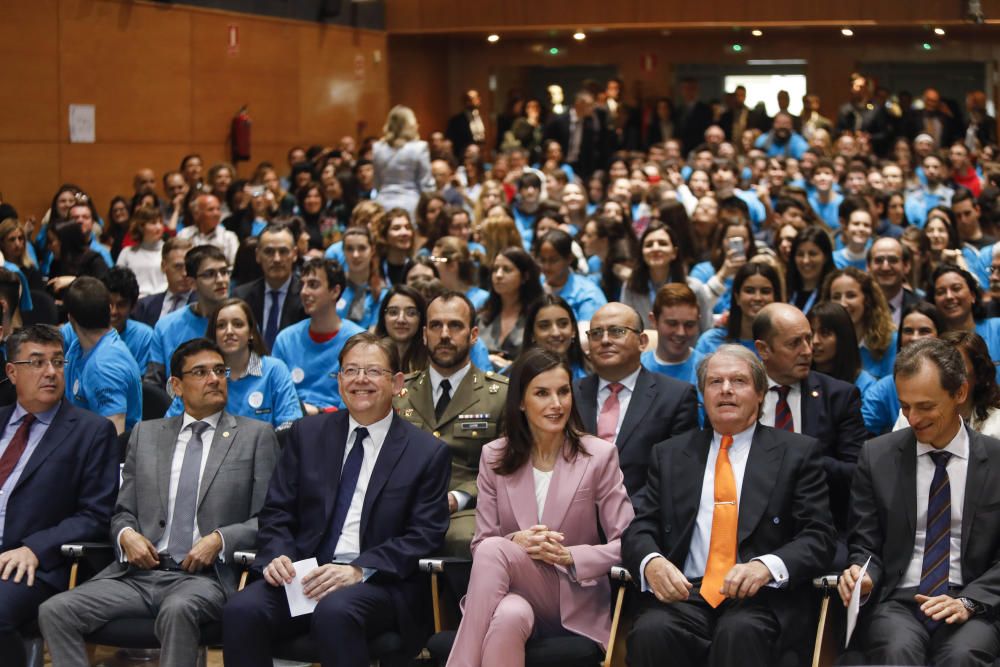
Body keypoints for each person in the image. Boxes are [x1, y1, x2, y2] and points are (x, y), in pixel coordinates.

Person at [40, 338, 279, 667]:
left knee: (178, 609)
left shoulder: (255, 435)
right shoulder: (145, 435)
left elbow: (267, 518)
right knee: (56, 610)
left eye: (219, 370)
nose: (214, 378)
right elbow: (123, 512)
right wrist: (127, 536)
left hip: (205, 579)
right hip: (138, 575)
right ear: (176, 386)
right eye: (201, 372)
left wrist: (221, 539)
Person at [222, 333, 450, 666]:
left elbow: (424, 535)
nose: (360, 380)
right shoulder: (306, 434)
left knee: (335, 612)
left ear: (397, 382)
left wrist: (359, 569)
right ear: (340, 380)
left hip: (378, 584)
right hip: (304, 577)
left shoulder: (426, 452)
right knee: (241, 610)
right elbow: (278, 511)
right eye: (351, 370)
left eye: (373, 371)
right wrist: (279, 555)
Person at [623, 344, 836, 667]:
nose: (725, 390)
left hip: (762, 598)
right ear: (702, 394)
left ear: (760, 392)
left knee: (740, 632)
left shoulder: (797, 453)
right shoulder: (670, 454)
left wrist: (766, 566)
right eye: (714, 382)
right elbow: (641, 526)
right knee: (652, 630)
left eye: (738, 381)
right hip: (687, 593)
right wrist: (652, 562)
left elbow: (818, 536)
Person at [446, 347, 635, 665]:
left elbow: (628, 543)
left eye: (563, 391)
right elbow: (480, 544)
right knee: (508, 614)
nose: (557, 404)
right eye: (542, 393)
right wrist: (515, 542)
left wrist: (571, 555)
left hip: (574, 596)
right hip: (513, 595)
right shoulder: (494, 456)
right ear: (520, 401)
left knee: (495, 549)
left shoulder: (599, 456)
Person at [840, 338, 1000, 667]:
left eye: (925, 406)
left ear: (959, 393)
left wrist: (969, 601)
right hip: (899, 599)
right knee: (897, 652)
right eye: (905, 406)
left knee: (962, 656)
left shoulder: (997, 460)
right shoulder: (877, 456)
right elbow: (864, 543)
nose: (913, 418)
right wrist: (863, 573)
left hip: (971, 598)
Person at [0, 325, 118, 667]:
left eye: (57, 362)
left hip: (35, 564)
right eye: (37, 363)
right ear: (11, 372)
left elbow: (95, 516)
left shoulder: (91, 431)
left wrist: (35, 548)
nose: (50, 372)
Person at [394, 291, 508, 556]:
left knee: (463, 541)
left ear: (474, 334)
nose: (444, 334)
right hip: (403, 505)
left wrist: (459, 498)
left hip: (466, 510)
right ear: (424, 334)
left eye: (455, 325)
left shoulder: (500, 395)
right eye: (436, 326)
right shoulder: (399, 393)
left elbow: (507, 466)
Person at [574, 302, 698, 498]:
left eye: (616, 331)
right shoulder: (570, 394)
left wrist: (626, 515)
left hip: (642, 518)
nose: (605, 340)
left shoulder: (676, 397)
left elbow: (677, 472)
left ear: (642, 341)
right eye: (596, 333)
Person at [165, 299, 302, 429]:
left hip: (265, 450)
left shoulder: (274, 370)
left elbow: (290, 424)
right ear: (214, 334)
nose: (229, 331)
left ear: (251, 333)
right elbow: (169, 425)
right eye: (221, 325)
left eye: (237, 324)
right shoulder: (201, 374)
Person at [272, 258, 364, 414]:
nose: (304, 292)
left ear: (335, 291)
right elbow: (275, 394)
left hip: (341, 425)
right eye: (302, 285)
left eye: (313, 285)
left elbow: (361, 397)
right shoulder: (286, 339)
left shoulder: (358, 340)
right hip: (293, 424)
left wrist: (319, 412)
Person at [62, 277, 142, 434]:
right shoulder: (76, 347)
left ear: (70, 319)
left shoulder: (105, 366)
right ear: (110, 308)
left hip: (98, 452)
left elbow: (113, 438)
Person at [146, 245, 231, 385]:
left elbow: (255, 374)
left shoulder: (241, 322)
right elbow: (153, 384)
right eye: (210, 274)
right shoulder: (166, 327)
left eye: (224, 272)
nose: (221, 280)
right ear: (192, 283)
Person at [621, 223, 726, 331]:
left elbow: (706, 330)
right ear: (642, 253)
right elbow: (627, 330)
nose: (655, 248)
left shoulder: (694, 288)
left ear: (674, 253)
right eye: (649, 245)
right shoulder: (630, 287)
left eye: (662, 243)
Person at [862, 302, 945, 436]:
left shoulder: (950, 383)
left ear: (940, 336)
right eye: (908, 331)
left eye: (924, 331)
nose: (914, 338)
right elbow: (860, 431)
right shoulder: (885, 388)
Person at [232, 223, 305, 350]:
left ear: (294, 254)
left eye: (283, 251)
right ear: (258, 255)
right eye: (269, 252)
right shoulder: (242, 296)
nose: (276, 259)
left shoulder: (307, 295)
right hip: (253, 365)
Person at [822, 267, 897, 379]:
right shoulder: (822, 343)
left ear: (867, 300)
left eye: (851, 295)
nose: (843, 303)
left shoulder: (890, 341)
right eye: (836, 297)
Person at [477, 247, 542, 369]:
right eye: (495, 269)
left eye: (507, 270)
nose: (498, 275)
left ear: (525, 276)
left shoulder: (538, 316)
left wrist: (508, 366)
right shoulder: (481, 316)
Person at [695, 262, 781, 355]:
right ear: (737, 297)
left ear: (775, 297)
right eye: (749, 291)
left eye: (765, 291)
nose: (757, 298)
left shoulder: (784, 343)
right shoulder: (711, 342)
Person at [372, 105, 433, 217]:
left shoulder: (377, 148)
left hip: (381, 203)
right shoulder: (420, 147)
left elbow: (376, 182)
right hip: (411, 203)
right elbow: (426, 184)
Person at [537, 229, 607, 323]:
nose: (546, 266)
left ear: (569, 259)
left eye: (553, 260)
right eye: (542, 260)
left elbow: (586, 335)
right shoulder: (534, 285)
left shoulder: (588, 294)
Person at [932, 263, 1000, 359]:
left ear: (973, 295)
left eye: (956, 288)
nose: (949, 296)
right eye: (941, 292)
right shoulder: (933, 342)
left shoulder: (997, 329)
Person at [641, 283, 704, 386]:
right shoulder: (635, 370)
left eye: (689, 325)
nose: (681, 332)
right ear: (653, 321)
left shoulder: (708, 372)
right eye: (672, 324)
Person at [808, 301, 876, 395]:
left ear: (843, 337)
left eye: (825, 333)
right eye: (810, 334)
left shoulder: (865, 385)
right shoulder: (799, 379)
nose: (815, 341)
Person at [132, 237, 196, 328]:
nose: (185, 273)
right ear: (163, 266)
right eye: (178, 266)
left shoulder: (204, 306)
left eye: (188, 266)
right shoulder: (143, 306)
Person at [522, 295, 590, 380]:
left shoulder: (594, 375)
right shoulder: (510, 378)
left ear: (573, 330)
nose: (555, 333)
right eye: (544, 326)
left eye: (563, 324)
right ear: (532, 334)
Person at [337, 227, 387, 330]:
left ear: (372, 250)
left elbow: (374, 334)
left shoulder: (381, 292)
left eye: (362, 248)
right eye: (349, 249)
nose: (355, 255)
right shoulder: (334, 288)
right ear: (343, 251)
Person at [374, 284, 429, 373]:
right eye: (393, 312)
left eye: (411, 313)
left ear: (421, 319)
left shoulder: (432, 363)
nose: (401, 320)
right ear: (383, 318)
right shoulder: (369, 358)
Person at [867, 237, 921, 327]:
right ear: (868, 266)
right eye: (878, 260)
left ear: (906, 266)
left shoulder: (920, 306)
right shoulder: (858, 307)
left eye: (893, 260)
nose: (885, 268)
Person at [116, 205, 166, 298]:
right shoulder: (127, 253)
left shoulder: (168, 251)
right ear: (141, 226)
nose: (159, 227)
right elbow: (118, 282)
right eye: (153, 223)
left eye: (160, 222)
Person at [177, 193, 239, 265]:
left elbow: (234, 266)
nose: (216, 213)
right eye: (210, 209)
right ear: (196, 214)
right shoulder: (184, 235)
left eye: (218, 209)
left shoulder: (229, 238)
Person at [786, 225, 835, 314]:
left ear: (826, 257)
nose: (806, 261)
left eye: (812, 254)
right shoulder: (785, 289)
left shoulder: (834, 292)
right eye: (800, 254)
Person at [431, 235, 489, 310]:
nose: (431, 264)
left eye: (435, 260)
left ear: (452, 264)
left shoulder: (482, 300)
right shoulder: (434, 299)